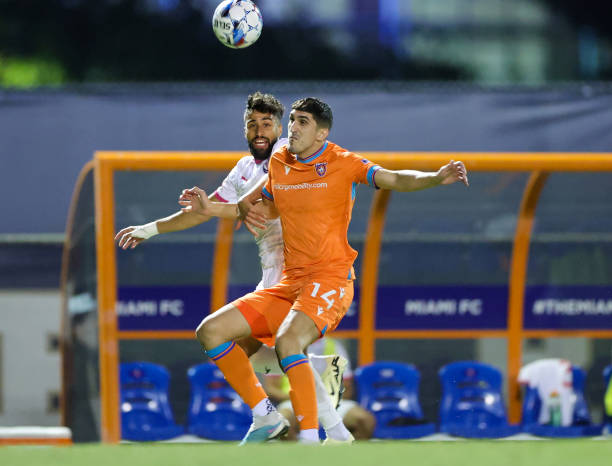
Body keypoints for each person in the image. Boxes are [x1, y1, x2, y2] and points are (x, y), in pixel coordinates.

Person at [181, 96, 469, 444]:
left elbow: (393, 178)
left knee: (288, 342)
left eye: (303, 122)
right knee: (210, 331)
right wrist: (210, 208)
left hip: (330, 277)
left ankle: (310, 441)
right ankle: (265, 417)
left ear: (322, 133)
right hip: (290, 282)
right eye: (293, 121)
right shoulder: (280, 163)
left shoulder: (341, 161)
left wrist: (436, 177)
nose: (294, 128)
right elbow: (263, 212)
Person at [115, 92, 354, 444]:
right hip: (272, 280)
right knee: (247, 347)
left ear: (280, 128)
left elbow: (244, 206)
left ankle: (302, 430)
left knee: (266, 348)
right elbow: (209, 209)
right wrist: (150, 228)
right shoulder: (243, 169)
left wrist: (221, 208)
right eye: (251, 124)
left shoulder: (291, 156)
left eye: (267, 124)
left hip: (305, 278)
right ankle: (319, 424)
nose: (259, 131)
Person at [262, 338, 375, 440]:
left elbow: (347, 388)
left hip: (330, 402)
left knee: (365, 421)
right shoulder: (279, 347)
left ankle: (345, 460)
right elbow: (271, 388)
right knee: (281, 424)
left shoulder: (334, 346)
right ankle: (300, 459)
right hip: (293, 403)